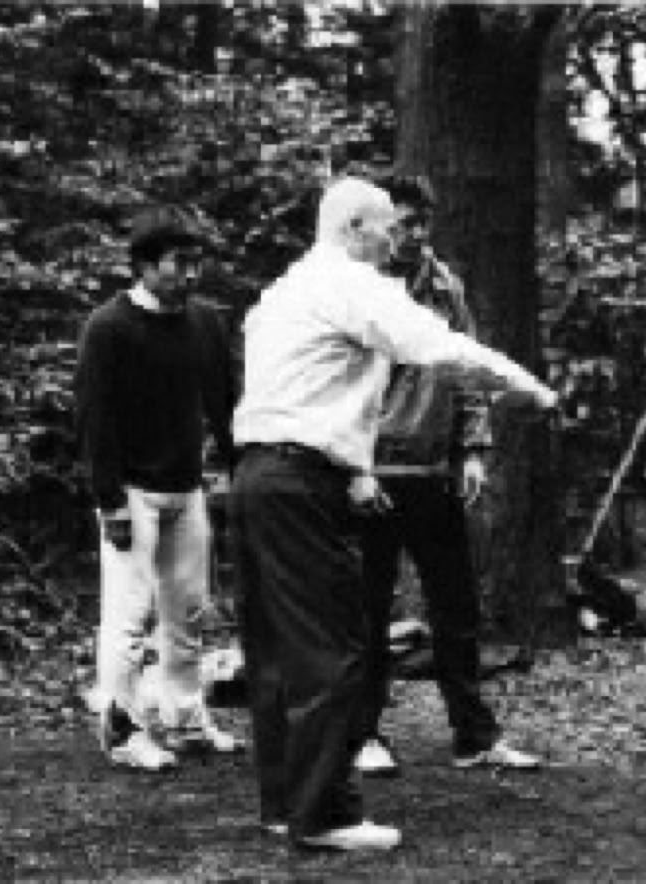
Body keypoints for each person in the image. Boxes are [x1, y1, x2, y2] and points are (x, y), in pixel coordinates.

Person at [229, 176, 558, 852]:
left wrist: (350, 468)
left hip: (261, 474)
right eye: (385, 227)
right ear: (353, 227)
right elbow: (437, 345)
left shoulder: (286, 289)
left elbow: (298, 388)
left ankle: (284, 802)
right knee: (330, 646)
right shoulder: (352, 283)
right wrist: (528, 389)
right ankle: (323, 814)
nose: (396, 238)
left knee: (276, 651)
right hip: (297, 481)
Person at [352, 175, 540, 778]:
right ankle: (362, 732)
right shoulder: (355, 287)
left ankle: (474, 734)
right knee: (367, 608)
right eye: (400, 224)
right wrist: (351, 465)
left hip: (433, 469)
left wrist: (474, 449)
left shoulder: (442, 285)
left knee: (456, 606)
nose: (410, 236)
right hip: (371, 471)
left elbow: (467, 367)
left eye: (420, 224)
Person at [75, 205, 243, 771]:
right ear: (145, 266)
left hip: (186, 486)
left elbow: (224, 403)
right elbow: (96, 420)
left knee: (189, 611)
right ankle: (122, 730)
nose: (189, 275)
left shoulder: (205, 324)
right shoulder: (109, 328)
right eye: (178, 264)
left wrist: (240, 467)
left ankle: (186, 716)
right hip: (131, 491)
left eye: (196, 263)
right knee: (127, 615)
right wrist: (110, 502)